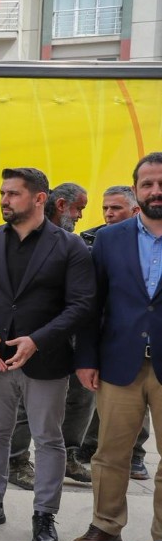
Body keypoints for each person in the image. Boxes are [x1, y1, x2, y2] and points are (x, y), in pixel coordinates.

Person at [0, 167, 95, 541]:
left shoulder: (70, 247)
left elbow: (81, 304)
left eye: (13, 193)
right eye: (3, 193)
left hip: (46, 361)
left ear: (39, 198)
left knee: (48, 439)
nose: (4, 200)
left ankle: (44, 514)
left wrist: (37, 340)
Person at [70, 152, 162, 541]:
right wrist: (86, 358)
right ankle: (106, 527)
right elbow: (93, 303)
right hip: (120, 362)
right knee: (110, 453)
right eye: (148, 184)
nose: (155, 191)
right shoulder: (109, 239)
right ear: (137, 189)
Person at [7, 183, 93, 488]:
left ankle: (69, 455)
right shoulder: (27, 237)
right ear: (60, 205)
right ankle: (16, 460)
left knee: (82, 395)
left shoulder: (76, 243)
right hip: (34, 334)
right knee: (27, 400)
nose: (80, 216)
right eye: (78, 208)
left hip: (72, 332)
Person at [79, 185, 152, 479]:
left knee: (139, 406)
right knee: (102, 407)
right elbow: (91, 300)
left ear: (135, 210)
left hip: (145, 346)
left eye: (116, 208)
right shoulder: (94, 239)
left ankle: (136, 454)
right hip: (108, 341)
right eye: (105, 208)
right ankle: (90, 443)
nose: (108, 214)